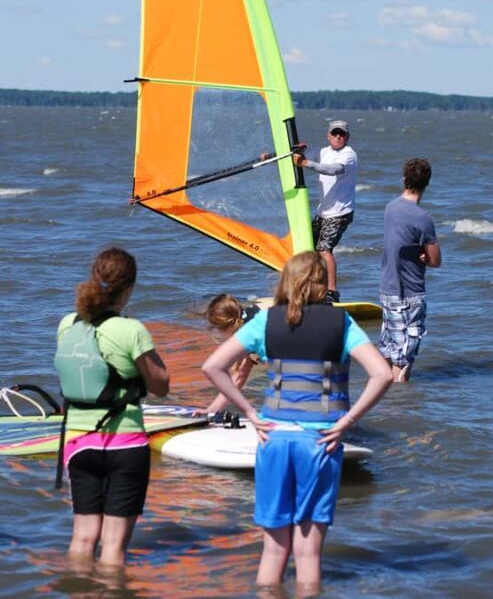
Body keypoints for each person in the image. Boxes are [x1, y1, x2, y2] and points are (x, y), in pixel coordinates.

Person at [202, 251, 392, 591]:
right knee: (308, 555)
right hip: (320, 442)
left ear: (286, 281)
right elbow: (382, 374)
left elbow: (213, 367)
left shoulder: (265, 321)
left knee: (273, 551)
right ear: (322, 284)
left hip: (272, 439)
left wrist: (248, 411)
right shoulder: (342, 323)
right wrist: (348, 421)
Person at [55, 247, 169, 568]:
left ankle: (78, 587)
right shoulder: (131, 330)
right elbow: (161, 386)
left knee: (82, 538)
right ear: (129, 289)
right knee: (113, 547)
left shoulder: (68, 324)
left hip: (78, 443)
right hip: (125, 442)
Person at [379, 158, 442, 382]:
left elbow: (399, 243)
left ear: (404, 179)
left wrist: (418, 252)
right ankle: (401, 408)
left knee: (388, 353)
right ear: (427, 183)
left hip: (387, 289)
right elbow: (435, 260)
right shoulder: (423, 218)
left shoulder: (390, 208)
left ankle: (384, 405)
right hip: (409, 294)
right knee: (403, 363)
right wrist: (424, 256)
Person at [292, 119, 357, 303]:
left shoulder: (349, 155)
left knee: (324, 249)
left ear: (347, 137)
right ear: (328, 135)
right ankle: (310, 287)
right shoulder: (322, 152)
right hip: (323, 212)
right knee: (307, 248)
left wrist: (306, 163)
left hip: (341, 212)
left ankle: (332, 292)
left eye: (342, 134)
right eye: (335, 133)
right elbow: (301, 156)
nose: (338, 136)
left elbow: (333, 169)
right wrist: (296, 152)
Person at [202, 294, 261, 414]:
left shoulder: (248, 332)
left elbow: (240, 377)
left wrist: (212, 410)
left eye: (218, 328)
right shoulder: (250, 312)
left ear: (227, 325)